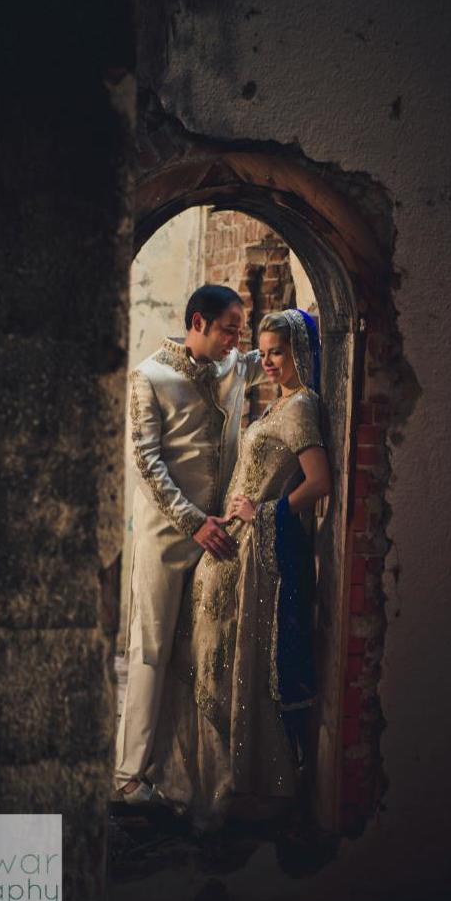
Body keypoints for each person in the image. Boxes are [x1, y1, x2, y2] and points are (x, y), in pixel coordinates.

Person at [145, 308, 332, 829]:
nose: (268, 362)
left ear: (300, 353)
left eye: (279, 352)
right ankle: (206, 783)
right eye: (264, 352)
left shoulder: (302, 406)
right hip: (230, 550)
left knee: (225, 666)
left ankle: (238, 789)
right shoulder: (277, 405)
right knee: (206, 663)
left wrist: (263, 512)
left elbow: (319, 483)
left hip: (252, 555)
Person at [114, 284, 267, 803]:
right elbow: (146, 464)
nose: (236, 341)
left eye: (240, 332)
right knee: (152, 648)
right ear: (197, 323)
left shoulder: (234, 366)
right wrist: (194, 522)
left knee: (200, 653)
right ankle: (129, 774)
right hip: (168, 537)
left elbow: (280, 350)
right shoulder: (149, 377)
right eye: (228, 329)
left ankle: (179, 771)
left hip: (220, 538)